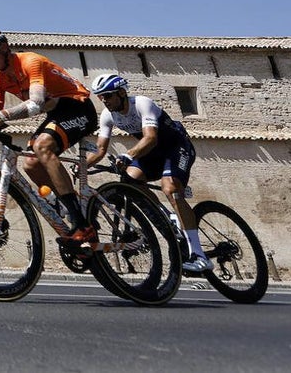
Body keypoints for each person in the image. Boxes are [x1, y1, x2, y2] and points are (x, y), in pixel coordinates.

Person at [0, 28, 99, 243]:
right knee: (30, 164)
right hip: (56, 111)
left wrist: (3, 114)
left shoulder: (30, 61)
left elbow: (36, 103)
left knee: (43, 147)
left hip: (78, 106)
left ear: (3, 47)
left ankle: (82, 225)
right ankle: (65, 204)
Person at [86, 73, 212, 273]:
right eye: (101, 97)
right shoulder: (108, 116)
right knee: (130, 180)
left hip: (176, 147)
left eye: (108, 95)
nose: (105, 101)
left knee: (170, 187)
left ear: (121, 92)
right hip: (152, 154)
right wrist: (83, 166)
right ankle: (167, 215)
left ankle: (199, 255)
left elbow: (151, 138)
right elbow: (100, 150)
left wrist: (129, 154)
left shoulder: (142, 104)